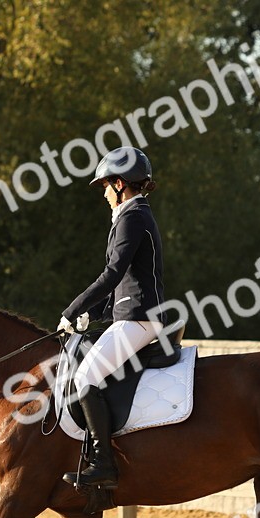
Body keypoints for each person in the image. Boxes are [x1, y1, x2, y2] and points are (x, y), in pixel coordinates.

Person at [57, 147, 165, 489]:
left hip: (139, 320)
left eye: (105, 185)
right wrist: (94, 314)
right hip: (130, 316)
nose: (103, 193)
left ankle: (103, 462)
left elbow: (113, 274)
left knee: (86, 378)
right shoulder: (133, 216)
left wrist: (72, 310)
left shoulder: (132, 218)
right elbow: (128, 282)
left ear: (120, 184)